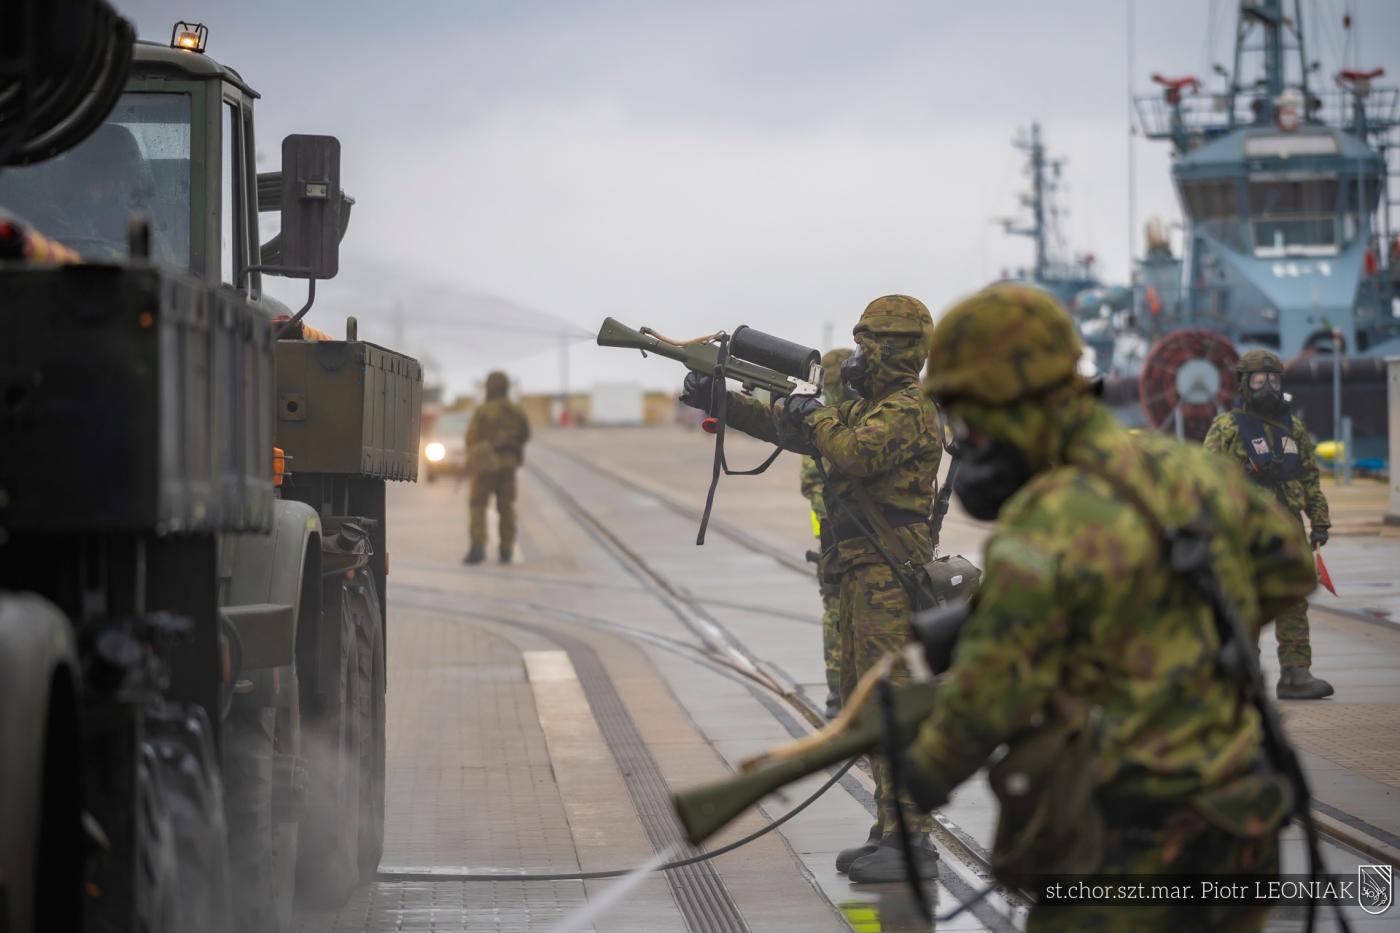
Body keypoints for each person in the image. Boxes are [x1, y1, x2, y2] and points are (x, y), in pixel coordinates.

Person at [902, 284, 1316, 931]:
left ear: (1017, 401)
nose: (965, 440)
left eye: (970, 418)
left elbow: (986, 700)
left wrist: (921, 773)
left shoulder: (1041, 527)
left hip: (1131, 849)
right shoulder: (1185, 468)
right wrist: (1178, 639)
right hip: (1240, 828)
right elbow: (1289, 567)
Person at [680, 296, 943, 884]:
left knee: (890, 704)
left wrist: (813, 411)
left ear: (895, 350)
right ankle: (890, 829)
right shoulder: (870, 405)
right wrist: (721, 400)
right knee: (864, 699)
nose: (860, 354)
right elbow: (792, 430)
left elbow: (851, 451)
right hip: (857, 569)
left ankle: (913, 843)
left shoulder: (907, 408)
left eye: (870, 342)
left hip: (887, 576)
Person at [1203, 350, 1333, 699]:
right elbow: (1205, 481)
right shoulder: (1227, 428)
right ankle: (1242, 678)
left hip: (1288, 532)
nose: (1268, 387)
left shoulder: (1295, 429)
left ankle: (1296, 673)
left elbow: (1310, 479)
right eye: (1259, 380)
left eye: (1274, 380)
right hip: (1243, 534)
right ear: (1245, 384)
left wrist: (1319, 520)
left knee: (1293, 602)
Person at [799, 347, 855, 719]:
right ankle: (839, 694)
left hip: (840, 539)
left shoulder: (835, 420)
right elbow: (813, 484)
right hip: (838, 539)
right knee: (840, 614)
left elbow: (809, 481)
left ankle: (840, 695)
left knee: (839, 615)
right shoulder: (835, 422)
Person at [464, 371, 531, 565]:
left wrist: (476, 455)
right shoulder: (516, 410)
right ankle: (506, 550)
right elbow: (525, 434)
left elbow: (471, 437)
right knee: (506, 508)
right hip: (508, 465)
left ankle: (477, 548)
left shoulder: (483, 410)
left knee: (478, 506)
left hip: (485, 465)